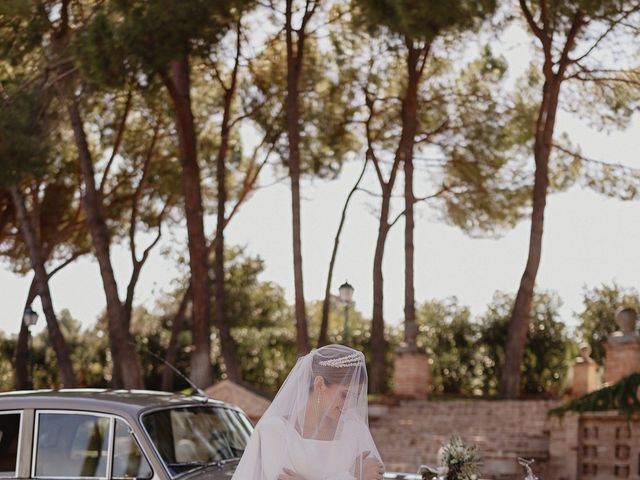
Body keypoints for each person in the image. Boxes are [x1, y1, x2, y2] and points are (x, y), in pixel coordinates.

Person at [232, 344, 385, 480]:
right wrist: (353, 476)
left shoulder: (355, 429)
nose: (350, 405)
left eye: (355, 397)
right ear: (319, 384)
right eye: (345, 394)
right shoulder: (275, 431)